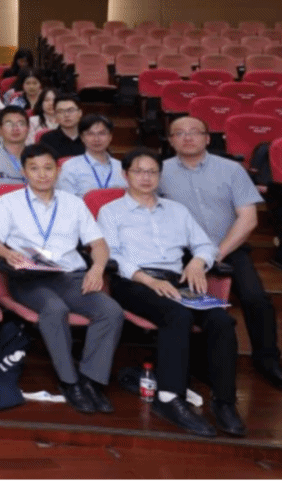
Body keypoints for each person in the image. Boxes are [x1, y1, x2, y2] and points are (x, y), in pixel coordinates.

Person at [98, 148, 243, 437]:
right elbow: (112, 255)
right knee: (176, 315)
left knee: (222, 321)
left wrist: (198, 262)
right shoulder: (111, 211)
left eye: (152, 172)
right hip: (134, 282)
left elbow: (205, 245)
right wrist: (148, 281)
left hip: (177, 282)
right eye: (139, 171)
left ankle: (224, 400)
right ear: (125, 175)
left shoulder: (178, 210)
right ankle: (168, 398)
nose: (146, 177)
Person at [158, 116, 282, 394]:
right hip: (182, 252)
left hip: (228, 247)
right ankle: (197, 363)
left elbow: (249, 219)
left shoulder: (231, 170)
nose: (187, 137)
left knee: (256, 298)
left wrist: (214, 254)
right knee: (188, 302)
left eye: (195, 132)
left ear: (208, 138)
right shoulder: (159, 172)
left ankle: (267, 361)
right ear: (171, 141)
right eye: (179, 133)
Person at [0, 144, 121, 414]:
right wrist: (8, 253)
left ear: (57, 171)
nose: (42, 174)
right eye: (34, 169)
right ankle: (69, 381)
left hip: (69, 277)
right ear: (24, 172)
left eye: (48, 168)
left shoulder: (74, 203)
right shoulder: (9, 202)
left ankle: (91, 381)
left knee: (111, 311)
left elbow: (98, 244)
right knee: (54, 309)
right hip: (29, 278)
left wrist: (97, 269)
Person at [57, 114, 127, 197]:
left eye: (102, 133)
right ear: (82, 137)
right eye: (90, 134)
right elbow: (66, 200)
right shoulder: (69, 167)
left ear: (110, 137)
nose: (96, 139)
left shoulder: (121, 167)